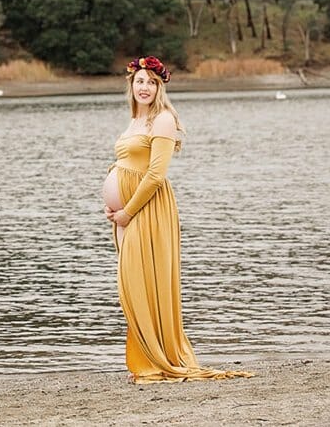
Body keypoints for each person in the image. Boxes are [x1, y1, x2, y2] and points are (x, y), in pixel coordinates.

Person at [102, 55, 255, 384]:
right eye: (140, 81)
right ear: (131, 85)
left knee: (142, 284)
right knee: (131, 286)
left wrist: (127, 210)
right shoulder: (134, 122)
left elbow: (155, 175)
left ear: (160, 87)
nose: (145, 87)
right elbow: (128, 164)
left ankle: (159, 358)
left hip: (149, 210)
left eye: (151, 83)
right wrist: (113, 205)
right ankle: (145, 356)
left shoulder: (163, 120)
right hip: (126, 213)